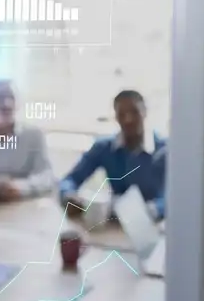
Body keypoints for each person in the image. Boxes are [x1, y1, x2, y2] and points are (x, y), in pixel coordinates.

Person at [59, 90, 167, 218]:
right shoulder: (104, 148)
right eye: (122, 114)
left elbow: (176, 197)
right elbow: (70, 179)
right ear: (116, 117)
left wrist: (152, 210)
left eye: (134, 112)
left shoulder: (165, 150)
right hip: (114, 223)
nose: (128, 120)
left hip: (153, 223)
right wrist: (68, 194)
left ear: (145, 112)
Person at [0, 80, 55, 200]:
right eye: (0, 97)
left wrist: (21, 187)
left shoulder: (34, 135)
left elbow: (47, 176)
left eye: (11, 97)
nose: (6, 103)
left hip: (24, 203)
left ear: (18, 102)